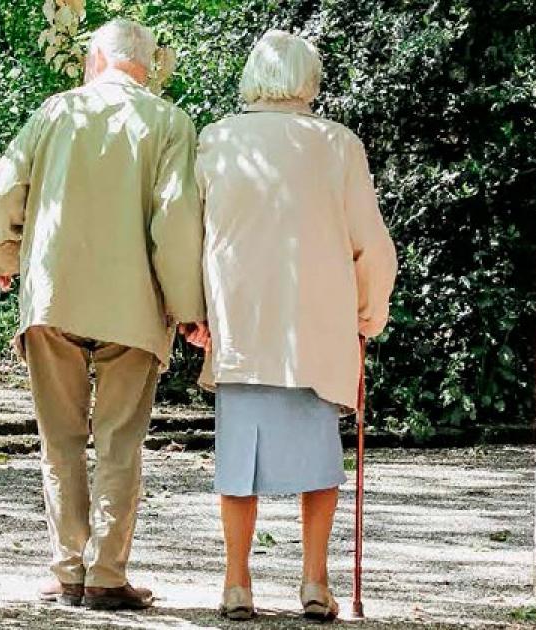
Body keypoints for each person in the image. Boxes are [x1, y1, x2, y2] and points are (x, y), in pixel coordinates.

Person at [0, 18, 207, 611]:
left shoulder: (54, 112)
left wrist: (0, 253)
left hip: (55, 297)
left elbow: (8, 187)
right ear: (149, 65)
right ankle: (106, 575)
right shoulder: (169, 122)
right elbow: (176, 221)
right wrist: (188, 309)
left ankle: (68, 569)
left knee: (60, 440)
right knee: (119, 442)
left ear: (94, 59)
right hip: (133, 306)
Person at [186, 30, 398, 621]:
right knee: (318, 459)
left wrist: (193, 311)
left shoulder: (217, 140)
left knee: (238, 462)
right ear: (311, 79)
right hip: (317, 327)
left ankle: (236, 583)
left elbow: (189, 236)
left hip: (243, 323)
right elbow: (372, 246)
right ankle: (314, 581)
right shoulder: (337, 145)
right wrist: (368, 311)